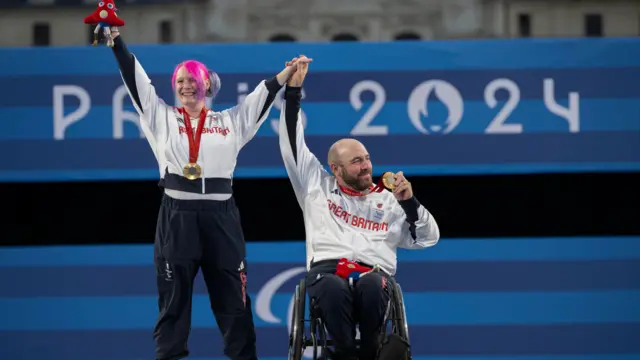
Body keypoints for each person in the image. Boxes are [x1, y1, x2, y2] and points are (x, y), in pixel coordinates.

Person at [108, 27, 309, 360]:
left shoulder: (229, 121)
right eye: (181, 81)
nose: (187, 86)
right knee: (173, 303)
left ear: (208, 85)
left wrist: (288, 72)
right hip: (177, 217)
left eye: (194, 79)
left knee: (234, 302)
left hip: (221, 218)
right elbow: (136, 79)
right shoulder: (160, 117)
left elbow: (261, 97)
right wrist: (116, 42)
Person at [279, 58, 440, 360]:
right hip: (327, 271)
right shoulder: (316, 186)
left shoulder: (390, 200)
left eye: (366, 158)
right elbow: (291, 143)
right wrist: (293, 93)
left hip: (374, 274)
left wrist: (409, 201)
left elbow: (427, 238)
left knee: (370, 285)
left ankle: (367, 351)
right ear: (335, 169)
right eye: (357, 162)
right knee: (331, 287)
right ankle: (344, 353)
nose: (366, 165)